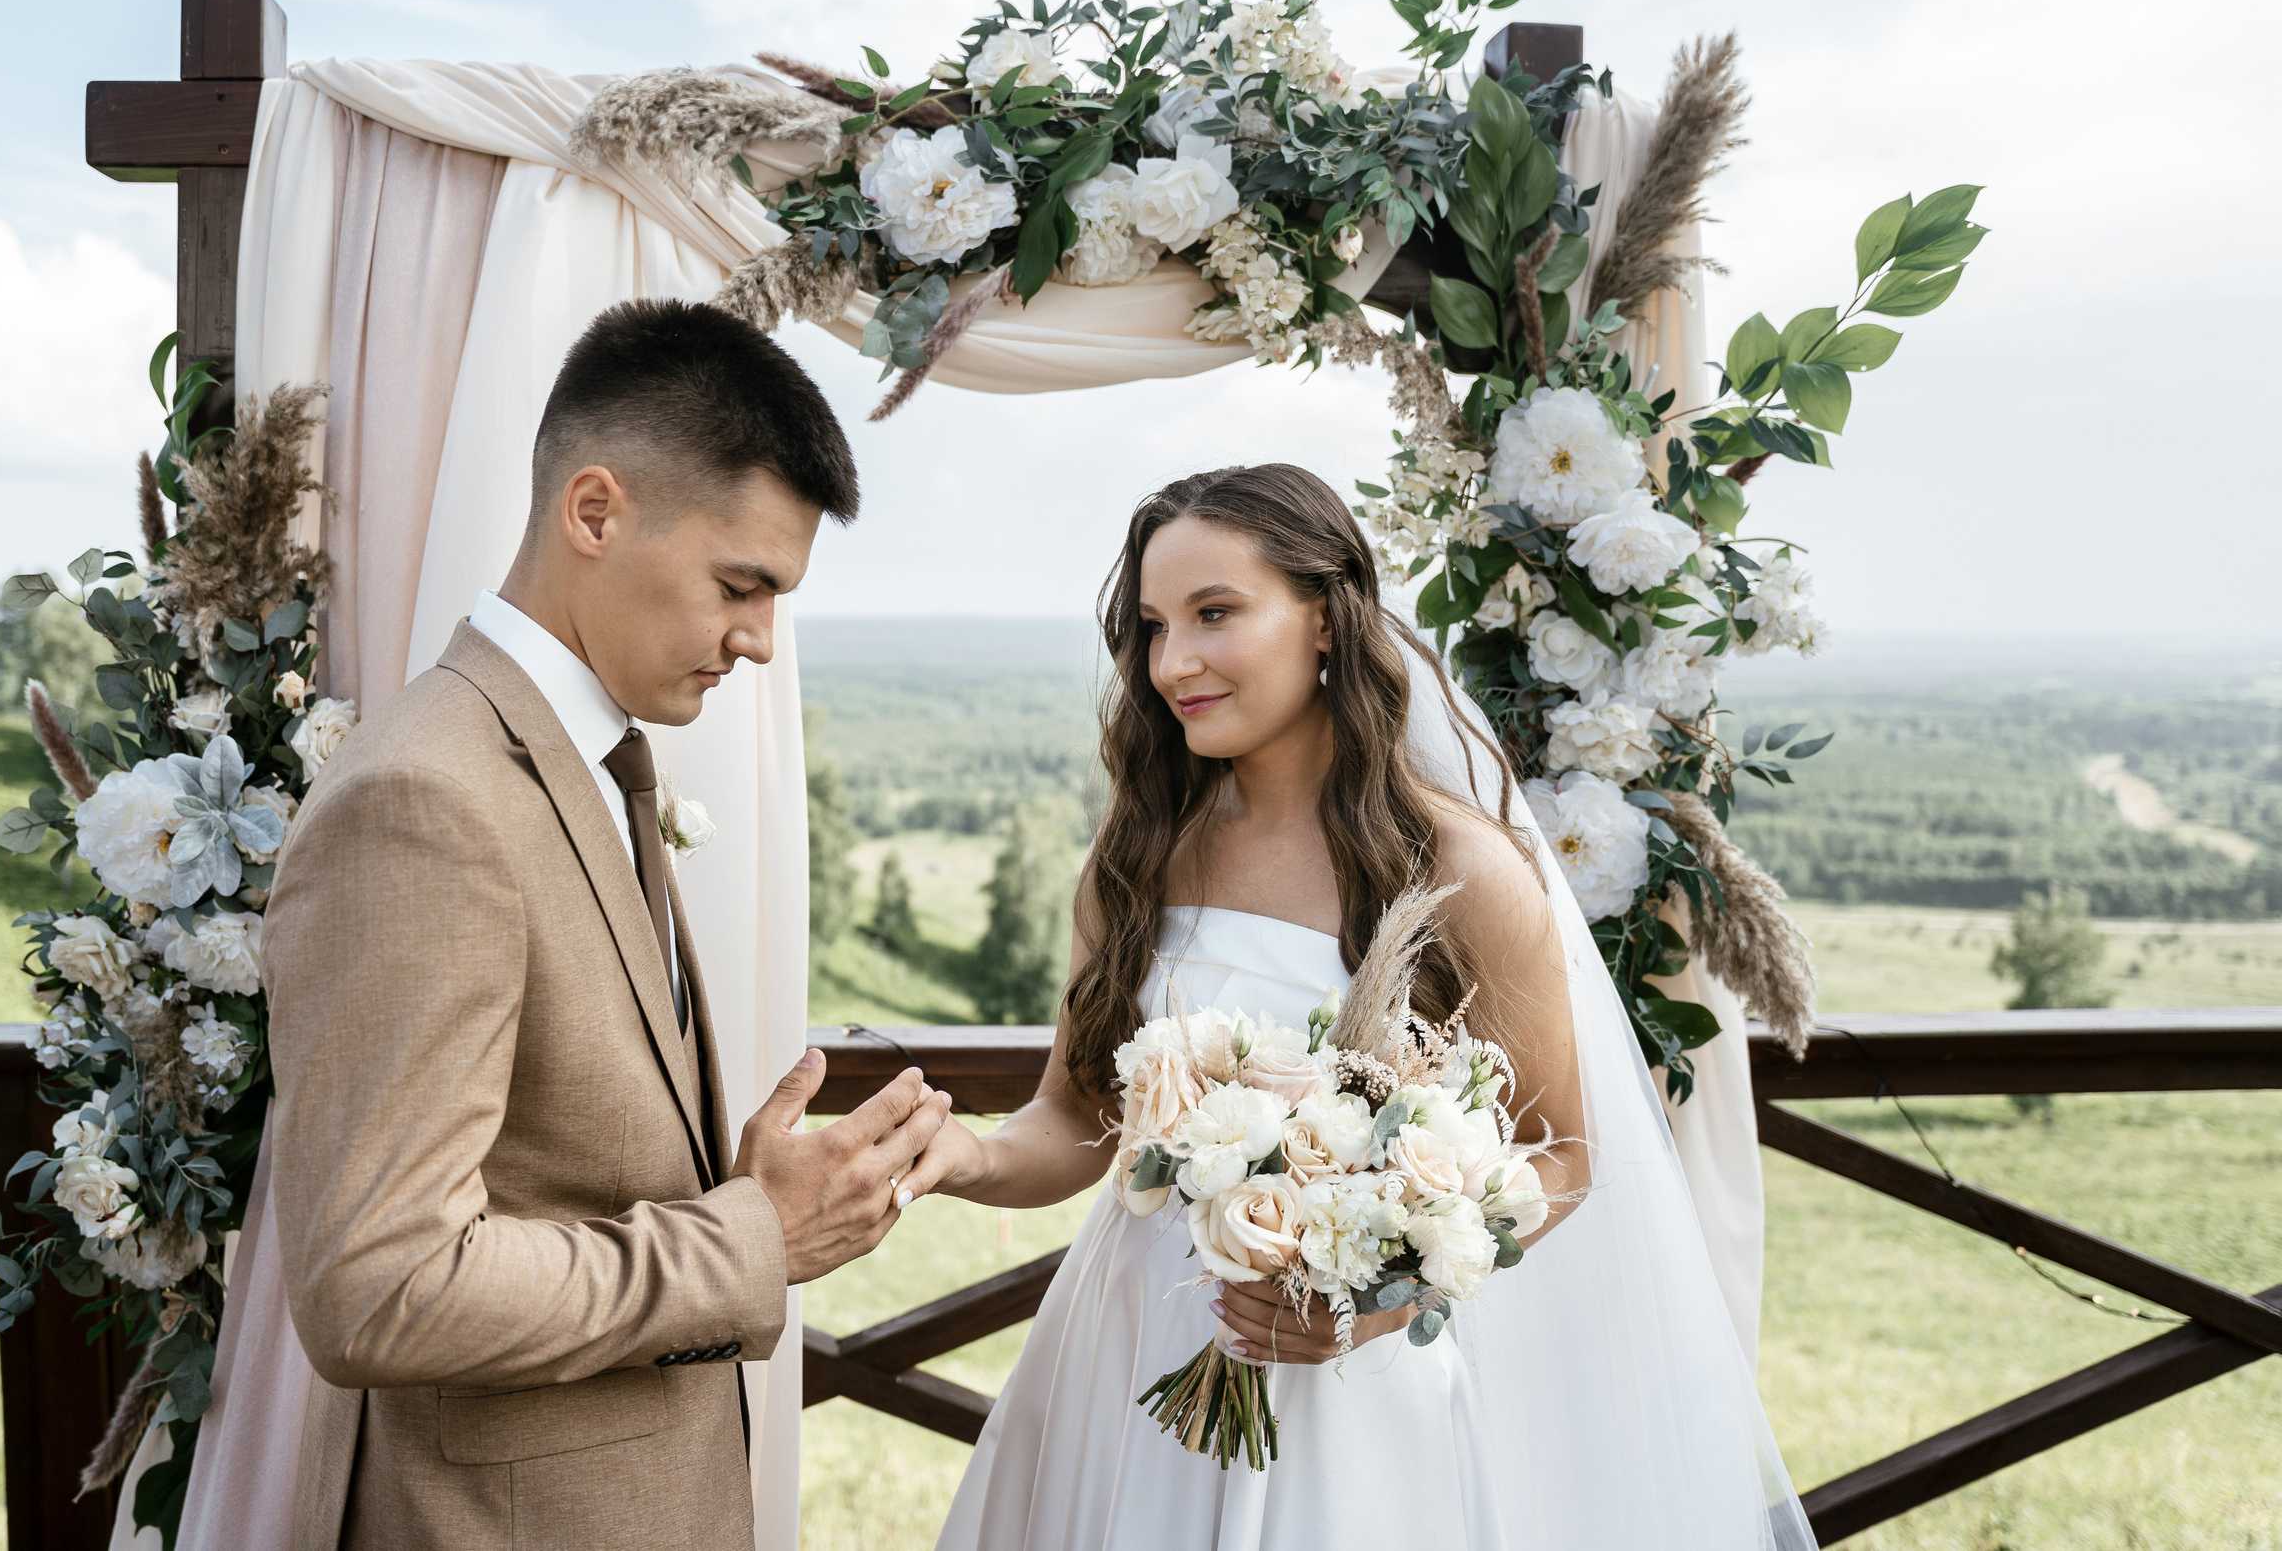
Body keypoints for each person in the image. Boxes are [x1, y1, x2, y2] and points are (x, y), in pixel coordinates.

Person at [904, 463, 1815, 1550]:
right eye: (1151, 626)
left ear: (1326, 620)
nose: (1172, 662)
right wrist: (960, 1158)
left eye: (1214, 614)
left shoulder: (1461, 868)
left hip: (1357, 1382)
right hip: (1132, 1350)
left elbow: (1561, 1151)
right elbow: (1072, 1118)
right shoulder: (1137, 855)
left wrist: (1381, 1291)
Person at [262, 300, 953, 1551]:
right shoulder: (425, 799)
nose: (757, 639)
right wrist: (757, 1233)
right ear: (594, 512)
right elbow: (380, 1288)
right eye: (741, 586)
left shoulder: (584, 761)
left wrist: (739, 1190)